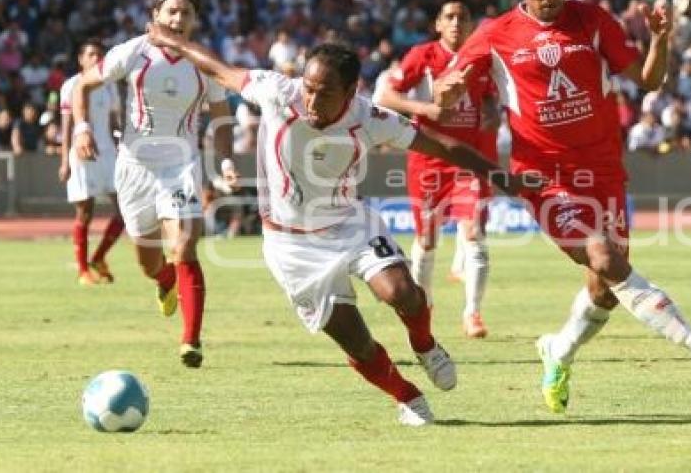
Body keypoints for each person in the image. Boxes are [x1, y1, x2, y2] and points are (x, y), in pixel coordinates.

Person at [144, 23, 539, 425]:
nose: (312, 100)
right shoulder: (277, 92)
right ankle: (408, 396)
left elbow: (440, 145)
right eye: (309, 88)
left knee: (405, 293)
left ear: (350, 94)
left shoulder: (368, 117)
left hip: (349, 224)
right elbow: (218, 69)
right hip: (291, 246)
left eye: (325, 93)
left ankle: (424, 344)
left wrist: (500, 176)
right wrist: (173, 41)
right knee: (357, 340)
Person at [434, 0, 691, 414]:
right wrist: (448, 91)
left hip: (603, 171)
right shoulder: (495, 34)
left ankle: (558, 350)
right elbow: (446, 87)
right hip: (543, 176)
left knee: (605, 289)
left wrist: (661, 39)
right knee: (602, 256)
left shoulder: (593, 21)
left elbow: (649, 80)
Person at [72, 0, 238, 369]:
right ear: (156, 17)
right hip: (133, 167)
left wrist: (226, 161)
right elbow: (83, 84)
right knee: (148, 262)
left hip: (181, 165)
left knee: (184, 246)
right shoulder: (133, 52)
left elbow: (221, 117)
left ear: (195, 20)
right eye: (172, 11)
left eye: (186, 12)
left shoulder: (204, 61)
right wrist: (81, 128)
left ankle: (191, 339)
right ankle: (165, 281)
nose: (178, 18)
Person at [374, 0, 499, 338]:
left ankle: (473, 312)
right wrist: (425, 110)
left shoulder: (480, 59)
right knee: (427, 241)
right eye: (450, 16)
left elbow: (489, 96)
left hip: (467, 160)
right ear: (438, 24)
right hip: (428, 159)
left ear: (471, 24)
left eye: (463, 16)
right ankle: (423, 305)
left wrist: (490, 111)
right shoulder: (422, 56)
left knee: (473, 232)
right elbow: (384, 97)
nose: (457, 22)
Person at [59, 39, 125, 286]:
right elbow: (66, 125)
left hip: (108, 153)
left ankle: (98, 257)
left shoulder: (108, 86)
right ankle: (83, 270)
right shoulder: (71, 85)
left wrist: (121, 145)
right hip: (82, 153)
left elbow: (113, 123)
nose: (97, 59)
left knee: (124, 211)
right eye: (92, 54)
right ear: (81, 59)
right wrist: (65, 159)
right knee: (85, 212)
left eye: (100, 54)